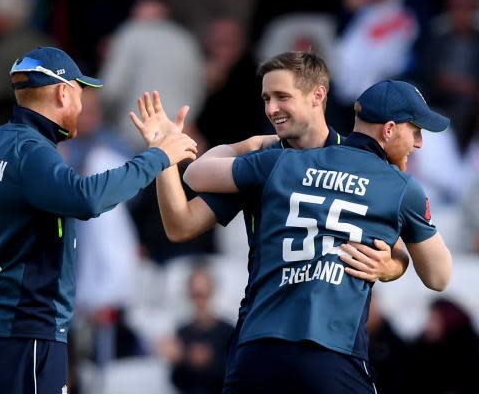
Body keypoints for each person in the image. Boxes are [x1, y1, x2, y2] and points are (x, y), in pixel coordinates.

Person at [131, 51, 410, 386]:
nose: (271, 108)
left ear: (318, 95)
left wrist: (390, 267)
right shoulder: (261, 162)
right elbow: (181, 225)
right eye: (266, 98)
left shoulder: (358, 159)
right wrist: (165, 157)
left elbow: (399, 254)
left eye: (282, 97)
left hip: (333, 351)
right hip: (261, 343)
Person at [0, 46, 198, 394]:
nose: (81, 104)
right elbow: (85, 198)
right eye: (80, 93)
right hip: (26, 327)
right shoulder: (32, 152)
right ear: (63, 92)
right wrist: (158, 157)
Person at [182, 79, 453, 393]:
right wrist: (395, 262)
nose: (419, 143)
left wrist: (249, 144)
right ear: (389, 130)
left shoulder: (284, 161)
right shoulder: (401, 188)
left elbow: (195, 174)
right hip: (331, 355)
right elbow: (439, 277)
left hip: (255, 355)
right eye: (416, 130)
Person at [158, 264, 234, 394]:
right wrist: (179, 360)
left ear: (212, 292)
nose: (200, 301)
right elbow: (177, 382)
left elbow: (234, 376)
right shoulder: (182, 332)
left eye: (204, 294)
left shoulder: (228, 331)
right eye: (195, 294)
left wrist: (206, 361)